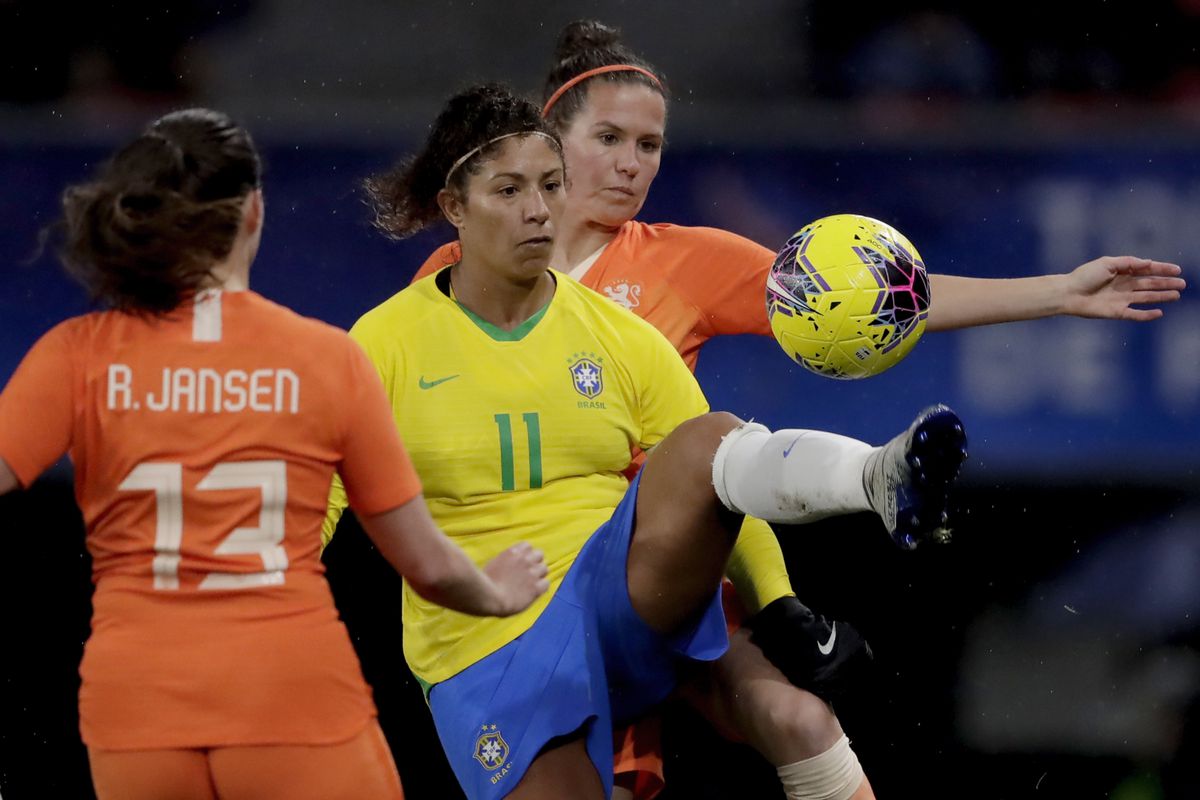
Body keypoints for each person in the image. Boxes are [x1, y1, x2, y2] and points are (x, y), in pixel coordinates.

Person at [409, 20, 1188, 800]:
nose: (630, 164)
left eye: (650, 147)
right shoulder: (457, 277)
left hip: (657, 560)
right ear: (549, 140)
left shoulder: (683, 262)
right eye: (609, 137)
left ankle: (875, 478)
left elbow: (882, 299)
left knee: (801, 720)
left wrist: (1058, 292)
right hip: (527, 587)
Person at [324, 82, 968, 800]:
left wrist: (780, 607)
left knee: (708, 439)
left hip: (620, 596)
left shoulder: (620, 336)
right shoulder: (381, 344)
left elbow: (719, 478)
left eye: (549, 186)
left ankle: (876, 476)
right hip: (484, 642)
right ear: (453, 208)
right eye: (508, 191)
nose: (538, 210)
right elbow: (319, 498)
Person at [0, 108, 549, 800]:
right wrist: (497, 593)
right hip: (290, 698)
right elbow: (429, 568)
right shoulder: (327, 360)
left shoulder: (74, 355)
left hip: (133, 708)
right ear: (254, 212)